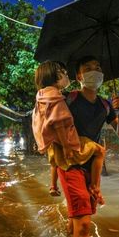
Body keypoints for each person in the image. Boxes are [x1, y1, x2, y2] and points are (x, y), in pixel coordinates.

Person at [56, 56, 119, 237]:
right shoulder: (68, 98)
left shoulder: (106, 105)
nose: (94, 71)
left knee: (78, 220)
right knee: (85, 225)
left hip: (92, 164)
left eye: (97, 67)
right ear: (79, 76)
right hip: (70, 164)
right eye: (88, 68)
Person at [32, 60, 105, 204]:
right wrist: (66, 146)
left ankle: (53, 185)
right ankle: (96, 188)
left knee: (54, 161)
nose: (67, 76)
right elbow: (59, 122)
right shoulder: (57, 97)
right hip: (67, 141)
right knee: (100, 151)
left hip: (54, 142)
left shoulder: (43, 94)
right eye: (64, 73)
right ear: (54, 76)